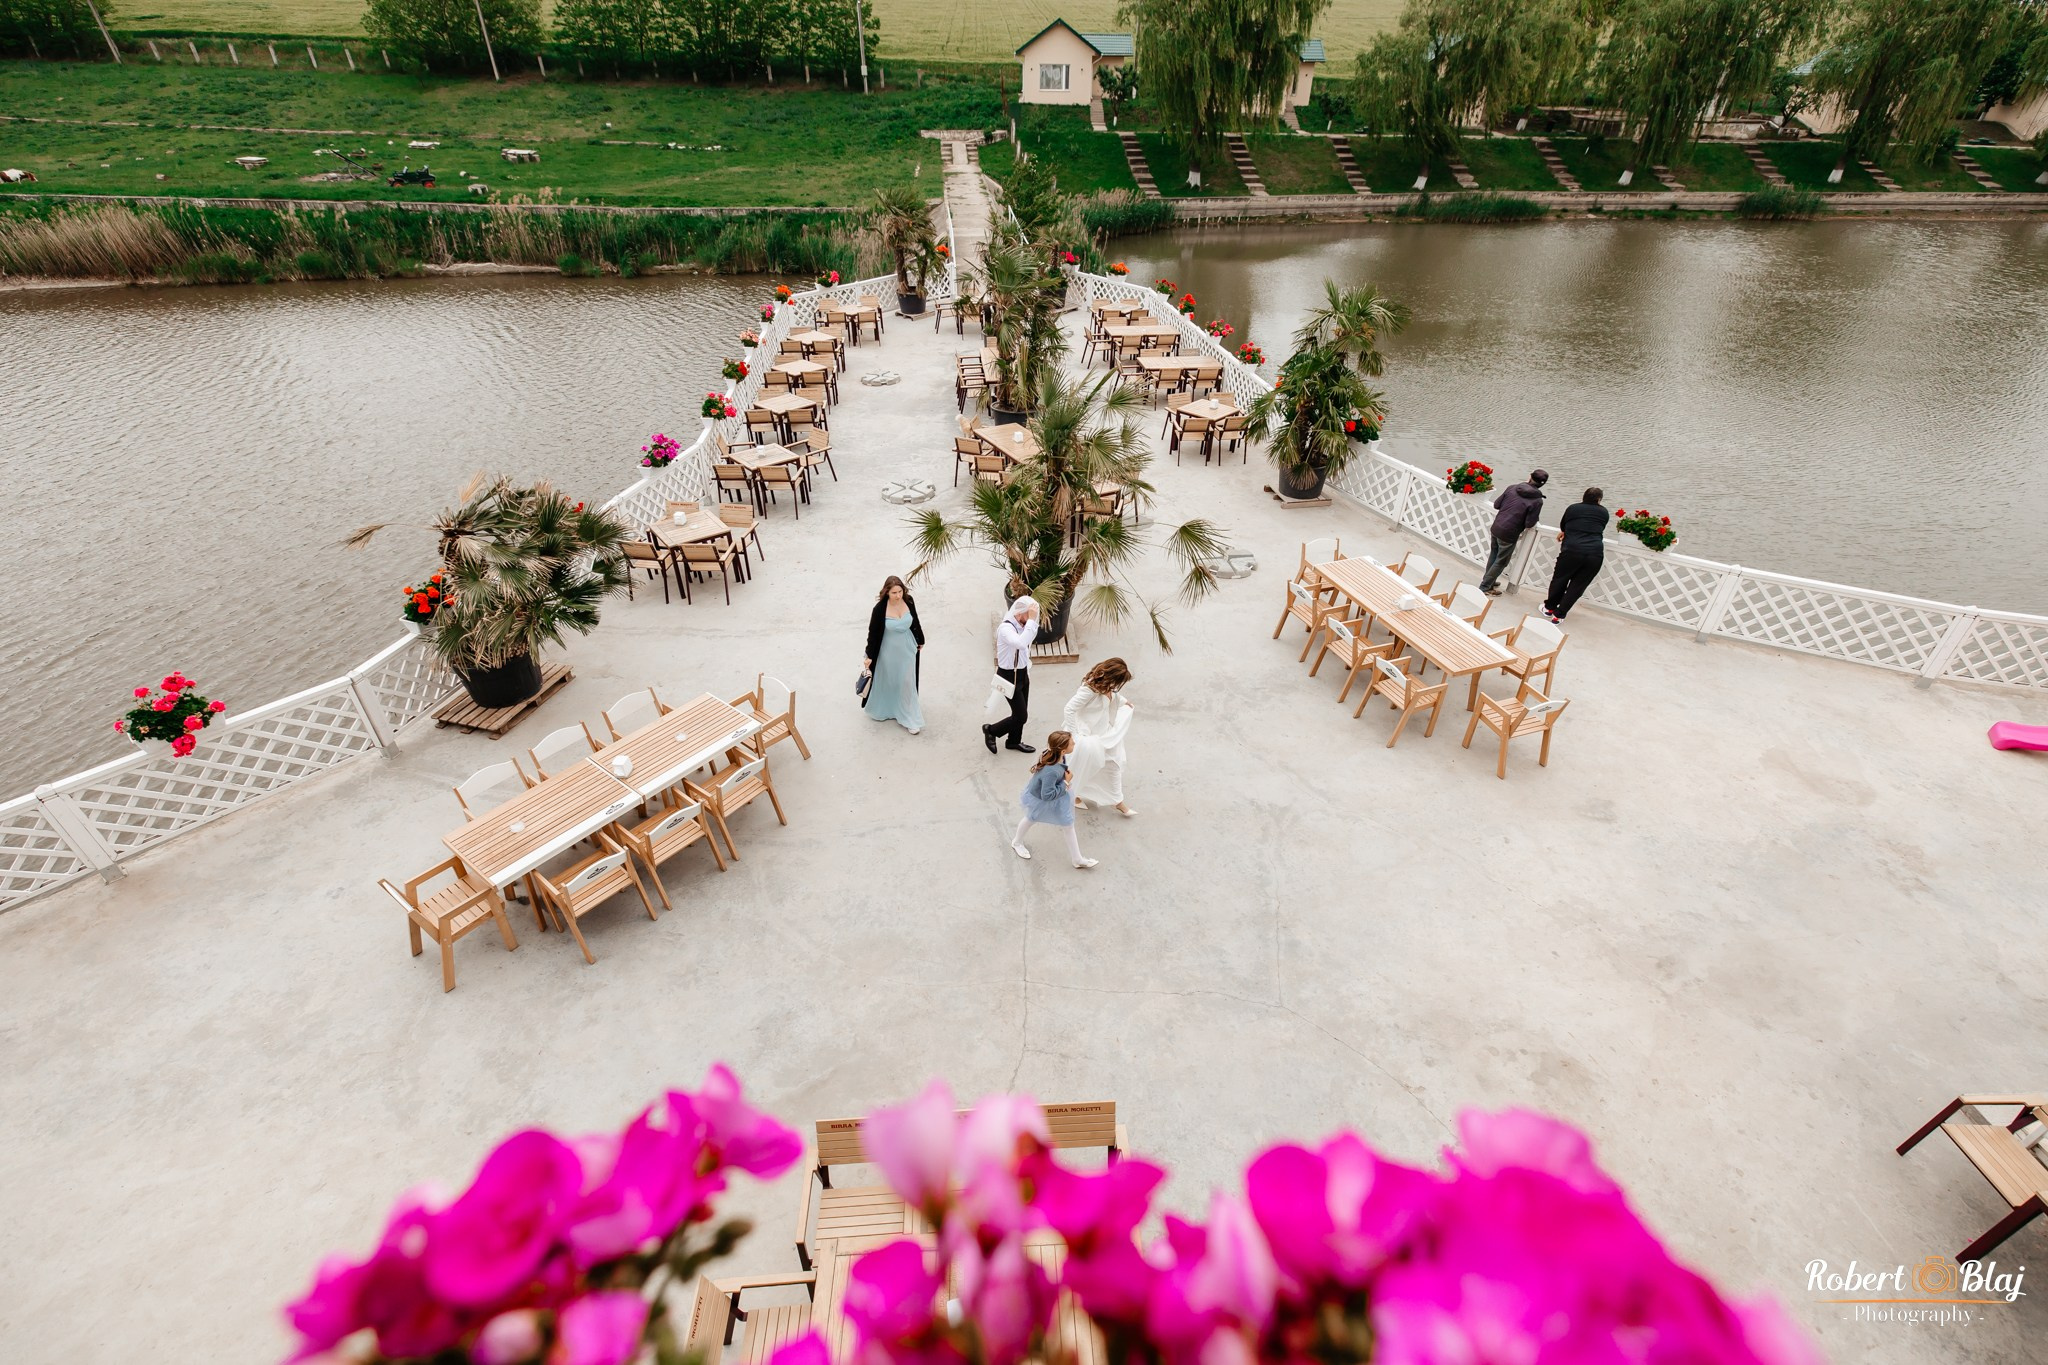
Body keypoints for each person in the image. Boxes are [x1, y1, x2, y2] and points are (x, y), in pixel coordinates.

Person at [1063, 657, 1137, 817]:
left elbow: (1114, 696)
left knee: (1113, 765)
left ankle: (1118, 802)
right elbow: (1069, 709)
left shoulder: (1108, 686)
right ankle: (1074, 794)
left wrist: (1125, 702)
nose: (1117, 686)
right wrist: (1075, 735)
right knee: (1081, 765)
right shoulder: (1088, 690)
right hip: (1089, 736)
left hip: (1105, 733)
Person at [1012, 731, 1096, 868]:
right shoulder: (1051, 770)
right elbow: (1047, 795)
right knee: (1031, 818)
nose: (1074, 743)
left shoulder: (1056, 755)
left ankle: (1077, 859)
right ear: (1063, 750)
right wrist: (1066, 782)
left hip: (1058, 795)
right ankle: (1016, 842)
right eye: (1071, 743)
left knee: (1068, 824)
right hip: (1043, 798)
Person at [862, 575, 925, 734]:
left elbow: (915, 620)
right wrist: (869, 655)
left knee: (907, 682)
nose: (898, 596)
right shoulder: (879, 609)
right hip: (887, 652)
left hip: (907, 649)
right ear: (887, 593)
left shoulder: (908, 600)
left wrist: (920, 639)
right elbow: (873, 633)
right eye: (894, 593)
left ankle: (909, 717)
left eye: (900, 591)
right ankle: (887, 708)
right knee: (889, 680)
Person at [1478, 468, 1549, 596]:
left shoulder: (1512, 487)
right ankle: (1485, 586)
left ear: (1530, 477)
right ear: (1543, 484)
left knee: (1494, 555)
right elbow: (1529, 523)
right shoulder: (1537, 501)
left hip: (1496, 527)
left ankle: (1490, 581)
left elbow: (1497, 505)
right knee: (1501, 561)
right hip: (1509, 533)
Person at [983, 594, 1039, 755]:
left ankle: (1014, 741)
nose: (1032, 621)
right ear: (1020, 613)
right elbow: (1021, 644)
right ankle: (991, 730)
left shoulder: (1024, 624)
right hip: (1009, 675)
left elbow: (1029, 638)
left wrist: (1030, 621)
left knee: (1021, 711)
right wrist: (1031, 622)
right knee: (1021, 716)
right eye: (1029, 617)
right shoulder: (1006, 629)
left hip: (1022, 673)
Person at [1544, 487, 1609, 624]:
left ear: (1584, 497)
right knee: (1578, 585)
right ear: (1599, 500)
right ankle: (1558, 616)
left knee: (1560, 579)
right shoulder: (1604, 512)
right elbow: (1599, 527)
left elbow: (1564, 525)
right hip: (1595, 553)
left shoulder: (1573, 508)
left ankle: (1549, 608)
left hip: (1572, 550)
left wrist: (1565, 531)